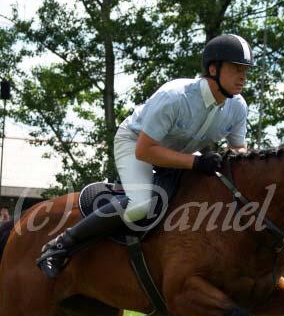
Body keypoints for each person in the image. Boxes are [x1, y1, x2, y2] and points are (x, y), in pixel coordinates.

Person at [38, 34, 254, 278]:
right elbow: (145, 150)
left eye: (245, 70)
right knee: (140, 205)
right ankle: (60, 245)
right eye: (236, 68)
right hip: (135, 144)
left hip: (178, 152)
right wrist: (196, 162)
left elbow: (239, 151)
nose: (243, 77)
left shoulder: (238, 106)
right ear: (213, 69)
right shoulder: (176, 96)